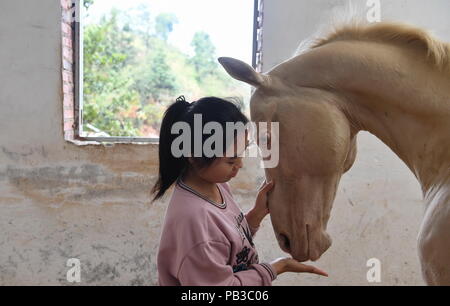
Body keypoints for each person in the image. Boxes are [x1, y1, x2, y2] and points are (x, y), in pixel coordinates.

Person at [152, 96, 328, 286]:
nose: (240, 164)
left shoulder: (216, 186)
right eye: (231, 160)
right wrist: (276, 268)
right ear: (193, 157)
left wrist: (256, 214)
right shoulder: (193, 219)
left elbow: (226, 244)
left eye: (242, 153)